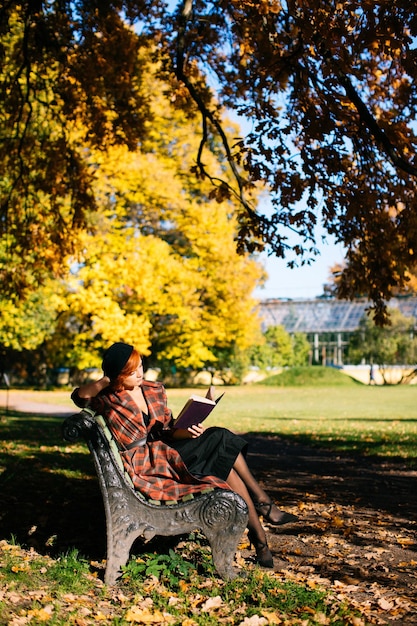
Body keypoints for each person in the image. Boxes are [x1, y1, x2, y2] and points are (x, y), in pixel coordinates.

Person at [71, 342, 298, 568]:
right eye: (131, 371)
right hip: (148, 464)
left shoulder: (153, 389)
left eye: (140, 366)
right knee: (220, 438)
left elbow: (167, 429)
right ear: (117, 375)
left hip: (169, 450)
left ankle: (261, 540)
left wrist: (186, 430)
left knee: (223, 457)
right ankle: (264, 509)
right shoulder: (108, 398)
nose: (139, 373)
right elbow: (79, 397)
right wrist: (106, 380)